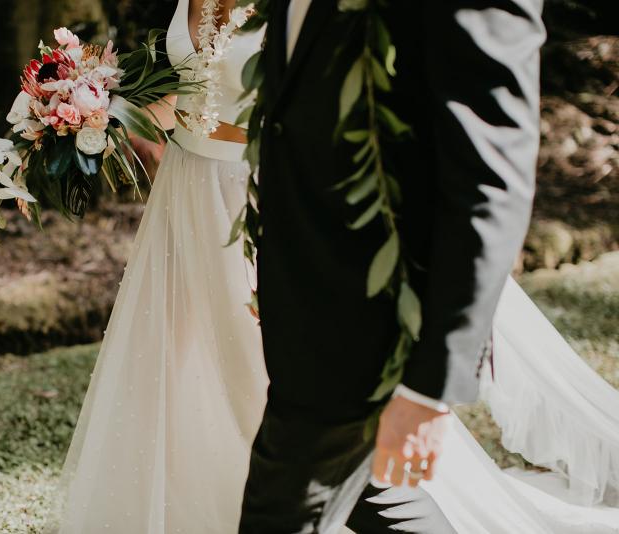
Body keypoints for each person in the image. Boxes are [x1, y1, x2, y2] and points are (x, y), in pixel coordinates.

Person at [51, 1, 619, 532]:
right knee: (303, 481)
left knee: (361, 491)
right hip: (262, 246)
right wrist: (100, 112)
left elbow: (486, 173)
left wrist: (428, 390)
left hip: (343, 282)